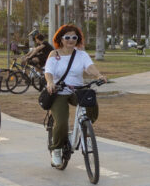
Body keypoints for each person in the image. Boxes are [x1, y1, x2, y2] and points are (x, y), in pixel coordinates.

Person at [44, 23, 107, 168]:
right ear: (61, 39)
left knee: (91, 102)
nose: (71, 40)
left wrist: (99, 75)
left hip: (76, 90)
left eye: (74, 37)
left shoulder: (81, 54)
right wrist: (50, 82)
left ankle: (82, 128)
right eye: (67, 37)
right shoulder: (55, 54)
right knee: (61, 123)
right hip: (59, 92)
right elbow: (49, 71)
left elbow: (89, 67)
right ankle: (56, 150)